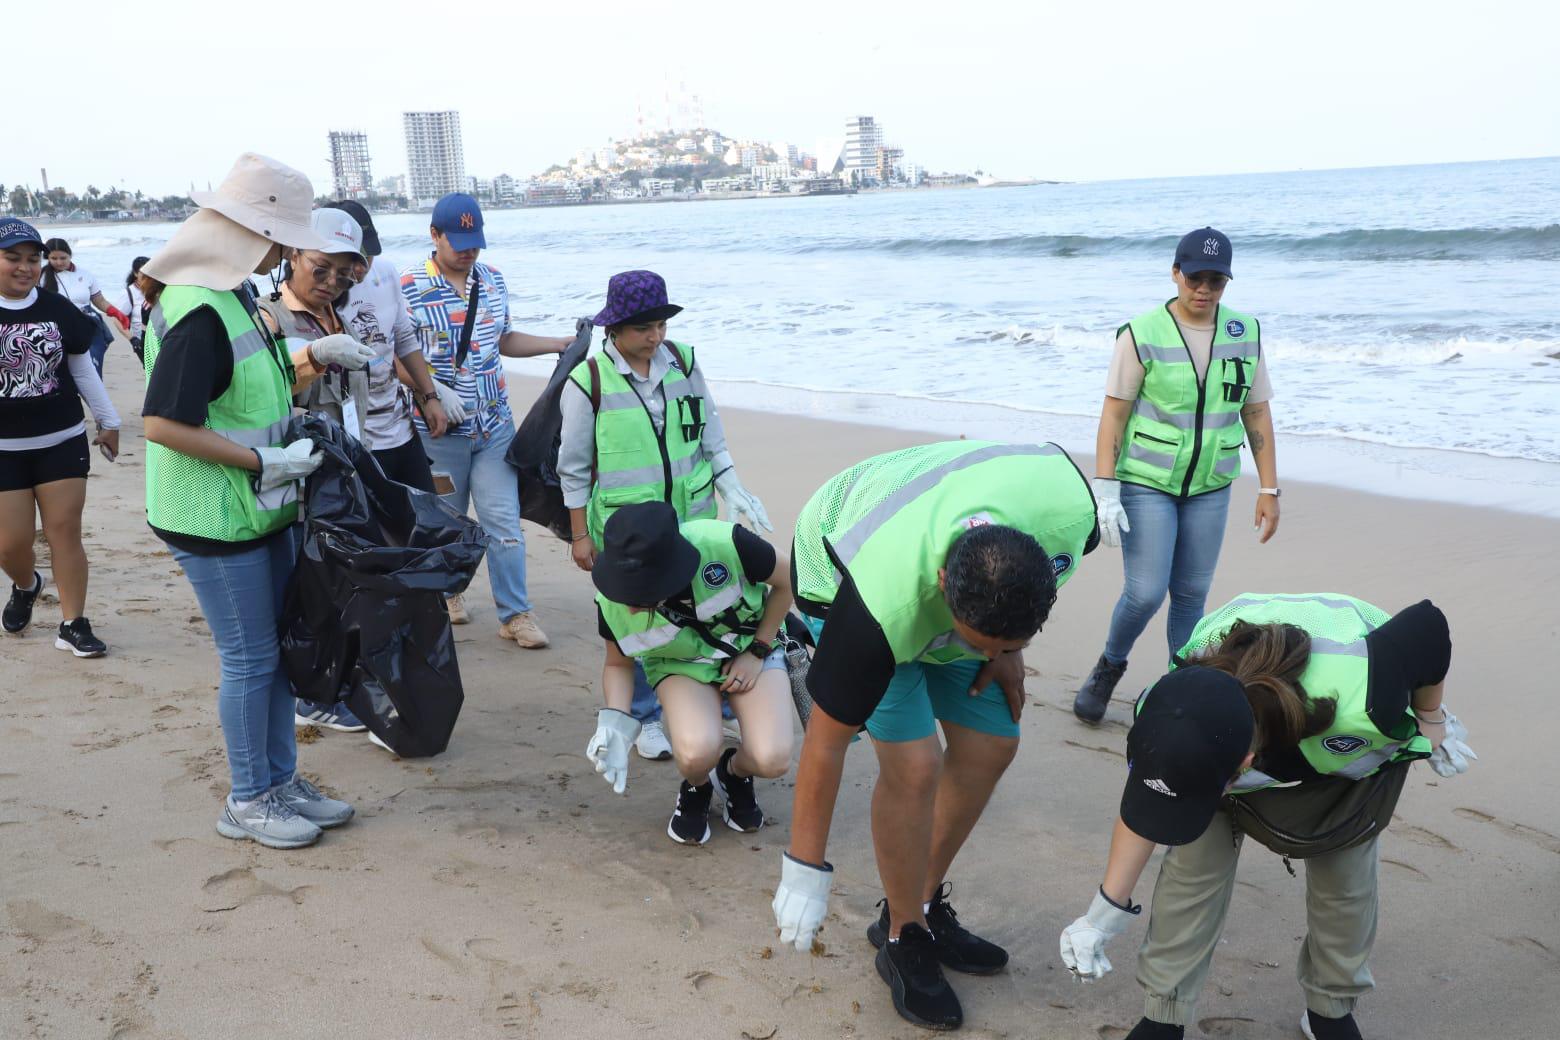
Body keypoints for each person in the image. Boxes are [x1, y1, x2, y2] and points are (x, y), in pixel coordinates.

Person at [772, 440, 1098, 1031]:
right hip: (839, 561)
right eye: (979, 641)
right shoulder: (880, 604)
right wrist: (804, 872)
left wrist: (1007, 650)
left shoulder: (1071, 519)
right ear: (945, 583)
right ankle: (903, 936)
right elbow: (825, 740)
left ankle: (916, 904)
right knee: (915, 766)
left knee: (993, 742)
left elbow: (1014, 606)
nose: (986, 655)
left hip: (957, 565)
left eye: (1001, 642)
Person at [1058, 593, 1473, 1040]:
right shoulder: (1166, 714)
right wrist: (1101, 916)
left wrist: (1431, 719)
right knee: (1192, 867)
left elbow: (1428, 626)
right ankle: (1164, 1013)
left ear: (1247, 763)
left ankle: (1329, 1010)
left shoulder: (1367, 693)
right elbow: (1146, 808)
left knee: (1344, 879)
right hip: (1222, 741)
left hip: (1339, 737)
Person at [139, 153, 370, 849]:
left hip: (260, 503)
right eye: (280, 235)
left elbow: (250, 392)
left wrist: (299, 408)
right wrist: (263, 458)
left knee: (276, 651)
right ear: (247, 229)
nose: (284, 250)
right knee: (250, 659)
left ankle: (280, 779)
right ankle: (248, 797)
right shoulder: (198, 307)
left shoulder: (235, 290)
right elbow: (164, 424)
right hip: (214, 515)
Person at [559, 269, 771, 762]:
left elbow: (709, 432)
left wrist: (729, 481)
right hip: (627, 531)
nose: (655, 338)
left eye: (661, 326)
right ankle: (645, 713)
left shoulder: (684, 362)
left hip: (692, 516)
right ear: (614, 329)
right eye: (643, 329)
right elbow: (572, 468)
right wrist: (577, 536)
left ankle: (707, 694)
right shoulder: (587, 383)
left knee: (701, 604)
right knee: (638, 617)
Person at [1075, 227, 1280, 725]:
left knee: (1191, 595)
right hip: (1148, 482)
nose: (1204, 289)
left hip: (1211, 485)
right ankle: (1109, 665)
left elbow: (1256, 413)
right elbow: (1114, 415)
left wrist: (1269, 487)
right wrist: (1105, 487)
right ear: (1175, 273)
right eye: (1194, 277)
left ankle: (1178, 687)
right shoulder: (1141, 333)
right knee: (1145, 592)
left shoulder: (1244, 333)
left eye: (1216, 280)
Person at [400, 192, 570, 646]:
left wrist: (558, 343)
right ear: (434, 236)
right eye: (458, 241)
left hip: (494, 427)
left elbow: (505, 339)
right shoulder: (408, 287)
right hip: (438, 433)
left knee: (504, 522)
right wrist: (431, 391)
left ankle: (516, 614)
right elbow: (392, 355)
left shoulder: (492, 281)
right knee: (445, 520)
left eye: (474, 241)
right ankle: (450, 593)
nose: (468, 250)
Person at [585, 502, 794, 843]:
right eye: (623, 588)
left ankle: (731, 773)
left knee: (772, 759)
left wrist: (758, 650)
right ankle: (696, 785)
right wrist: (616, 725)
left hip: (751, 647)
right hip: (678, 664)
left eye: (640, 593)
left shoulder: (727, 545)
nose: (631, 606)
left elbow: (788, 581)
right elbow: (618, 664)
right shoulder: (611, 602)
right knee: (696, 752)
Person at [1, 218, 121, 656]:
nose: (25, 267)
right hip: (3, 451)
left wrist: (109, 421)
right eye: (12, 258)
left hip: (61, 439)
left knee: (64, 531)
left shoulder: (56, 308)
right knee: (10, 544)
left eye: (32, 259)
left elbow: (81, 366)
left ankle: (73, 623)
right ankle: (26, 583)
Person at [321, 199, 449, 492]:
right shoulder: (322, 292)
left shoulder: (387, 274)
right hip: (354, 436)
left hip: (399, 424)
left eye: (370, 256)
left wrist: (430, 396)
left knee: (425, 520)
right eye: (354, 258)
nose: (361, 268)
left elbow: (403, 338)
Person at [41, 237, 130, 378]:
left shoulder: (85, 275)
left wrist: (116, 313)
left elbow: (99, 300)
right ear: (47, 257)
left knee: (92, 366)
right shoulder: (40, 276)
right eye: (54, 258)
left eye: (63, 258)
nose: (59, 262)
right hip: (56, 327)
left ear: (70, 255)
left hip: (86, 323)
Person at [125, 256, 150, 361]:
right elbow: (117, 320)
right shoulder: (129, 293)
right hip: (142, 342)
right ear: (135, 274)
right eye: (143, 272)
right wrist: (132, 339)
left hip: (161, 338)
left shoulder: (158, 289)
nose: (148, 275)